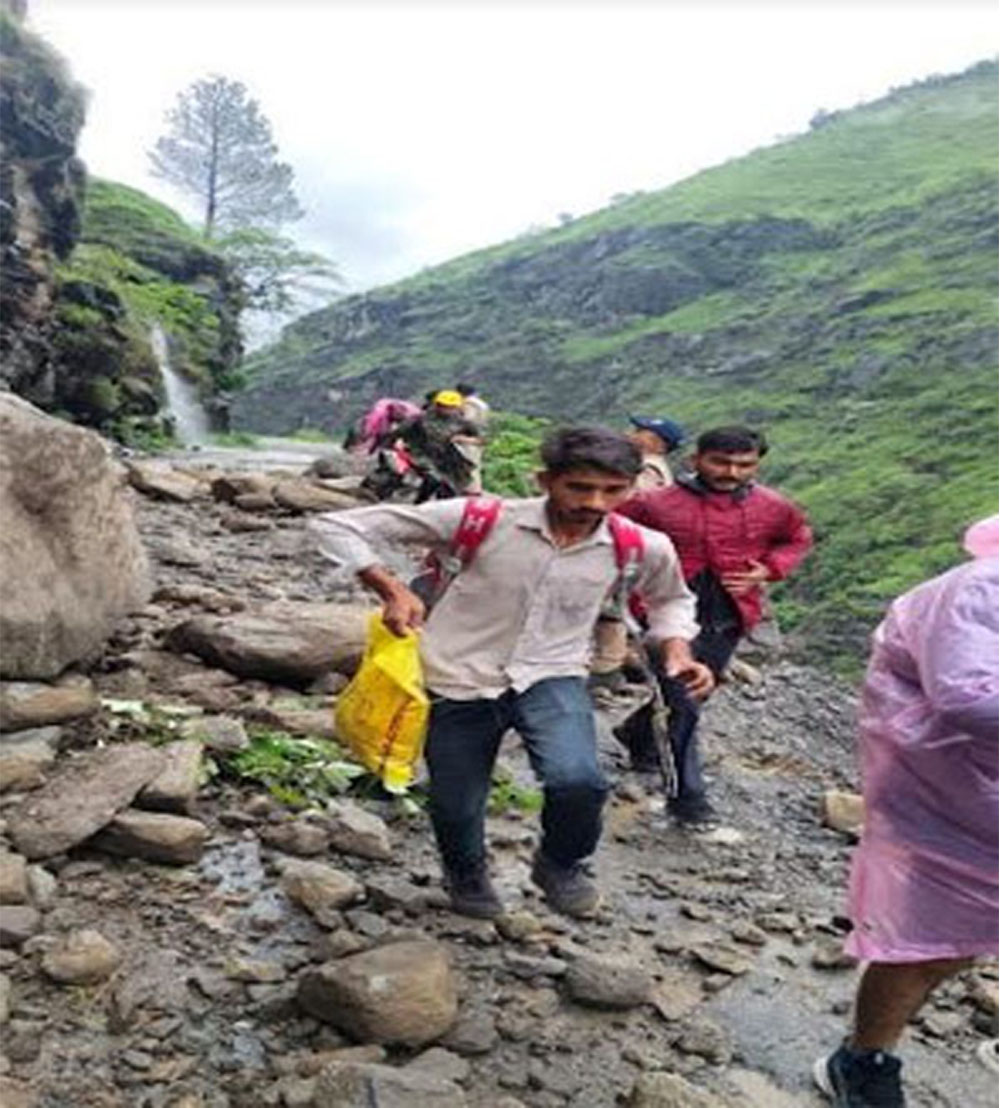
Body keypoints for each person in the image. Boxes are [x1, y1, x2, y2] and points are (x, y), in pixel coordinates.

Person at [312, 426, 711, 919]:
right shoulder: (480, 518)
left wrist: (678, 649)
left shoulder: (640, 546)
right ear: (545, 480)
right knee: (456, 801)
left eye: (613, 491)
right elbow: (338, 526)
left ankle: (561, 863)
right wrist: (388, 586)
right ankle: (467, 873)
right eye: (579, 488)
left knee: (580, 782)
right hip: (456, 671)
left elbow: (671, 599)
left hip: (552, 671)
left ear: (632, 487)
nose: (595, 502)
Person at [813, 515, 999, 1108]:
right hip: (947, 795)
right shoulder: (978, 591)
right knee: (934, 941)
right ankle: (863, 1060)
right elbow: (967, 699)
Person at [615, 424, 812, 824]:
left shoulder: (773, 507)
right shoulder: (657, 503)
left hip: (730, 611)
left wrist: (768, 570)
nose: (732, 472)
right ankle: (688, 801)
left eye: (744, 465)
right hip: (664, 611)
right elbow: (613, 528)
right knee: (684, 700)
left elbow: (797, 538)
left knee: (694, 693)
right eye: (720, 462)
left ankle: (637, 732)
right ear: (696, 461)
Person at [396, 389, 484, 501]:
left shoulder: (462, 422)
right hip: (421, 453)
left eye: (450, 407)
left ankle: (442, 507)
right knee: (433, 479)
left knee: (451, 487)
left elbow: (481, 439)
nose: (446, 409)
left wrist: (464, 439)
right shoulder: (421, 419)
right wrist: (399, 443)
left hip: (447, 457)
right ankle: (420, 502)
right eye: (443, 406)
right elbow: (400, 432)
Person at [627, 415, 685, 491]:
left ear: (660, 445)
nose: (629, 434)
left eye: (638, 431)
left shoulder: (648, 468)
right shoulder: (645, 463)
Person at [455, 383, 491, 493]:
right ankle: (475, 489)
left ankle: (471, 490)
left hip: (469, 438)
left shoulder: (468, 404)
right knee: (475, 464)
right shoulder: (482, 404)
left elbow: (467, 420)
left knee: (468, 464)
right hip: (480, 438)